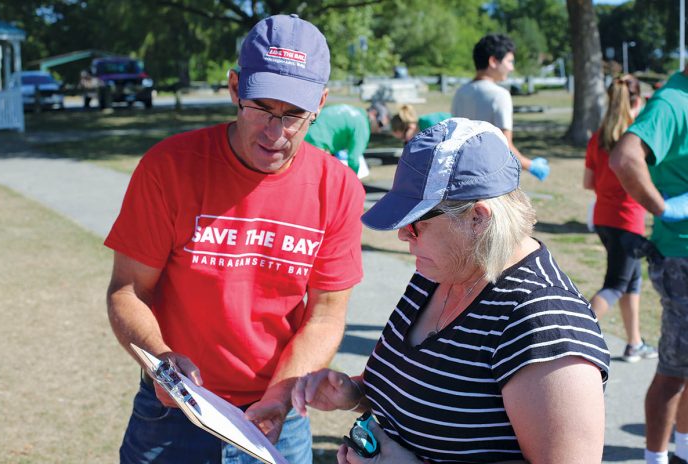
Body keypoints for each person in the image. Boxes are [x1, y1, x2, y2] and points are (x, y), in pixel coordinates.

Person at [104, 14, 365, 464]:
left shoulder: (337, 187)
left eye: (293, 115)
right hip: (173, 413)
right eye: (261, 107)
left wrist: (281, 397)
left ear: (320, 103)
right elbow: (129, 290)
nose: (275, 131)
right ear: (234, 89)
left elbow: (324, 315)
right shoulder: (169, 167)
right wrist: (164, 361)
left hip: (279, 415)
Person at [293, 118, 610, 463]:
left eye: (417, 223)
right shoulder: (442, 271)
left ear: (478, 218)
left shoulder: (545, 323)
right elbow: (432, 400)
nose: (403, 235)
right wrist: (355, 394)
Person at [609, 65, 688, 464]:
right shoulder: (673, 102)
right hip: (682, 258)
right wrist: (663, 208)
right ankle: (655, 459)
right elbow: (624, 158)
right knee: (674, 372)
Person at [582, 74, 657, 362]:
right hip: (627, 221)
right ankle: (574, 332)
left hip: (604, 219)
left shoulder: (597, 138)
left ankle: (634, 343)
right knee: (615, 283)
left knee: (631, 281)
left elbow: (588, 182)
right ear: (636, 102)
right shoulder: (635, 141)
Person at [451, 33, 549, 181]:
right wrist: (531, 165)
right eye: (509, 61)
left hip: (461, 175)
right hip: (489, 177)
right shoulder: (499, 95)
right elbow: (504, 146)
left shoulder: (460, 92)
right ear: (493, 61)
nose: (511, 68)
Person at [304, 101, 390, 178]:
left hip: (305, 132)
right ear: (373, 113)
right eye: (381, 124)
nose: (379, 130)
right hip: (318, 142)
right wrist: (353, 183)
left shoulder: (354, 111)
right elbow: (353, 159)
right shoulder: (363, 125)